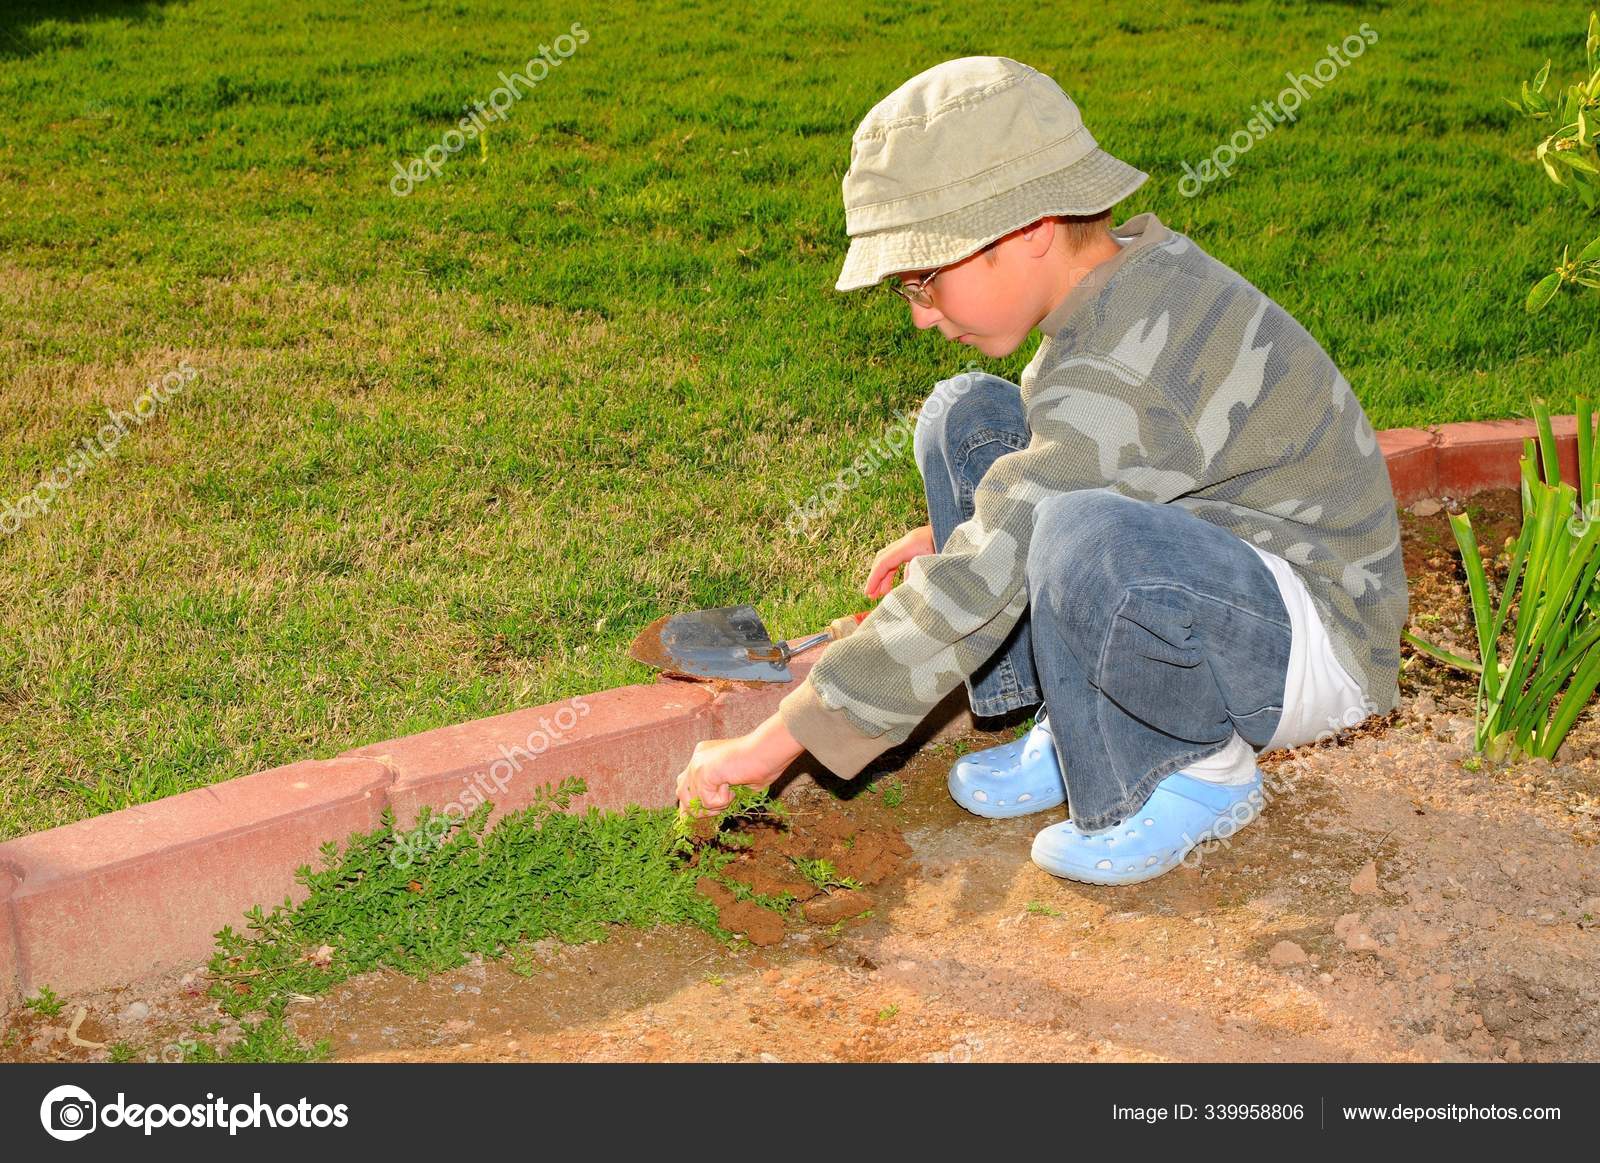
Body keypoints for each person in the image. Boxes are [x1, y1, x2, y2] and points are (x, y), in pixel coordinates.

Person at [675, 56, 1407, 884]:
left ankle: (1190, 768)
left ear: (1026, 232)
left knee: (1068, 529)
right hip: (1214, 569)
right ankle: (1074, 719)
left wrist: (773, 742)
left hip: (1312, 635)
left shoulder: (1132, 363)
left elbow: (1018, 540)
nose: (920, 317)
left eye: (924, 281)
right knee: (969, 416)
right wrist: (950, 532)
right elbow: (1061, 468)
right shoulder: (1111, 294)